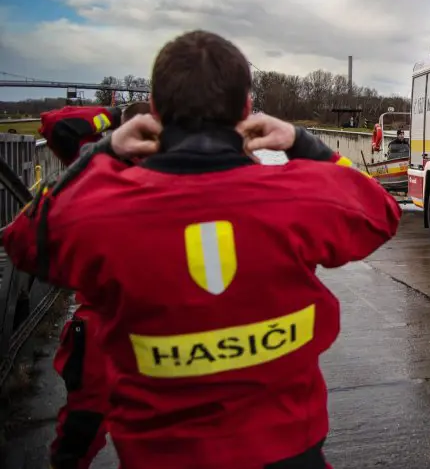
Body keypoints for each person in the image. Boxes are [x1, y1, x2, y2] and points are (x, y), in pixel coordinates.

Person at [3, 30, 402, 469]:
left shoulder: (101, 211)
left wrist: (103, 151)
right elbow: (380, 209)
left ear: (155, 111)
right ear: (247, 108)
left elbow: (23, 242)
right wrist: (301, 142)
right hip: (289, 452)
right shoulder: (300, 197)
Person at [39, 99, 149, 469]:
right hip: (106, 324)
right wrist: (116, 118)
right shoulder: (100, 167)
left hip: (156, 321)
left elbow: (62, 126)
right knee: (81, 431)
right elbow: (58, 124)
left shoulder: (96, 170)